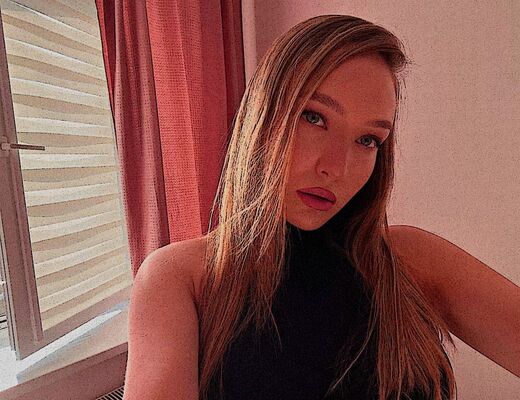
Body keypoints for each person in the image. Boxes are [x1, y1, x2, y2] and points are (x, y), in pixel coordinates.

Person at [122, 15, 520, 400]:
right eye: (315, 118)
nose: (336, 168)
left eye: (368, 140)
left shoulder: (410, 261)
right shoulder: (181, 278)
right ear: (264, 116)